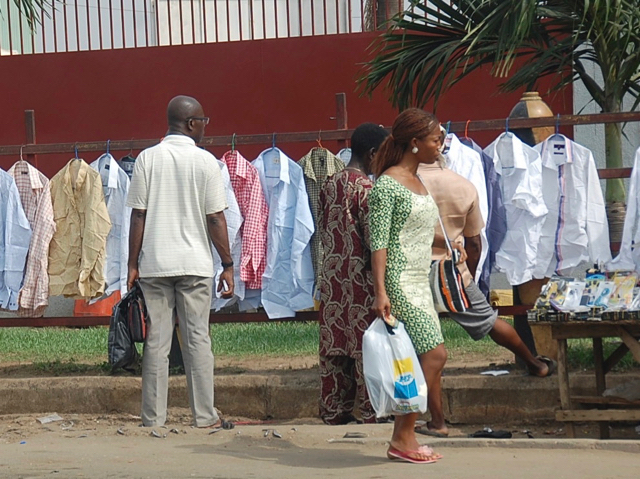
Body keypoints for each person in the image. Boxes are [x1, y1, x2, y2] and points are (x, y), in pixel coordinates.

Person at [418, 154, 555, 436]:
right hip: (452, 272)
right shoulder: (462, 185)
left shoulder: (405, 183)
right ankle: (535, 363)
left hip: (414, 274)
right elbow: (475, 242)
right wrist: (466, 274)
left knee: (427, 346)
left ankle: (437, 420)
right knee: (489, 321)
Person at [126, 95, 235, 428]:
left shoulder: (147, 159)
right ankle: (204, 416)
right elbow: (215, 218)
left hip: (156, 265)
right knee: (197, 339)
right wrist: (227, 264)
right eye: (203, 121)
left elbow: (138, 215)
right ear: (191, 124)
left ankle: (153, 418)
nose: (205, 126)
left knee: (156, 342)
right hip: (195, 265)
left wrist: (132, 264)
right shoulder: (206, 163)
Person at [369, 108, 460, 464]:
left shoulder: (417, 178)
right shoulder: (388, 184)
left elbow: (416, 228)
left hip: (420, 281)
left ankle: (405, 433)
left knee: (421, 356)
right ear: (415, 143)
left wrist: (451, 244)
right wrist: (381, 291)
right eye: (436, 140)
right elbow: (379, 242)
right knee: (435, 354)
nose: (441, 145)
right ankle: (402, 434)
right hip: (399, 281)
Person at [317, 123, 389, 425]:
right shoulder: (368, 191)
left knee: (335, 346)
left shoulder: (330, 184)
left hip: (334, 279)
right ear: (372, 154)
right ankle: (372, 411)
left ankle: (334, 410)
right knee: (366, 346)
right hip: (362, 281)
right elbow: (375, 243)